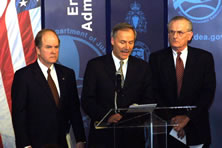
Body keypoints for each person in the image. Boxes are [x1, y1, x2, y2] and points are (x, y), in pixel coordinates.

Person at [81, 22, 154, 148]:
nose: (127, 47)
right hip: (103, 137)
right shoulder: (96, 66)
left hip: (133, 138)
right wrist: (108, 117)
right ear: (113, 41)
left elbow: (149, 99)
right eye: (122, 42)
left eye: (131, 42)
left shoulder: (143, 67)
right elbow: (87, 100)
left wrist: (129, 117)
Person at [12, 29, 86, 148]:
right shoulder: (23, 76)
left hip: (61, 142)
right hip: (35, 143)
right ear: (38, 50)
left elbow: (74, 110)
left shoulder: (67, 74)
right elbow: (19, 115)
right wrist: (25, 145)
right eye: (48, 47)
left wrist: (80, 139)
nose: (53, 51)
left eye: (56, 47)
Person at [149, 16, 216, 148]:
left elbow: (207, 92)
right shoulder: (156, 59)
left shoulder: (204, 58)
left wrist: (187, 118)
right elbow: (154, 92)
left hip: (196, 126)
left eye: (180, 32)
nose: (175, 36)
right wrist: (173, 121)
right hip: (167, 127)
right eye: (171, 32)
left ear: (190, 36)